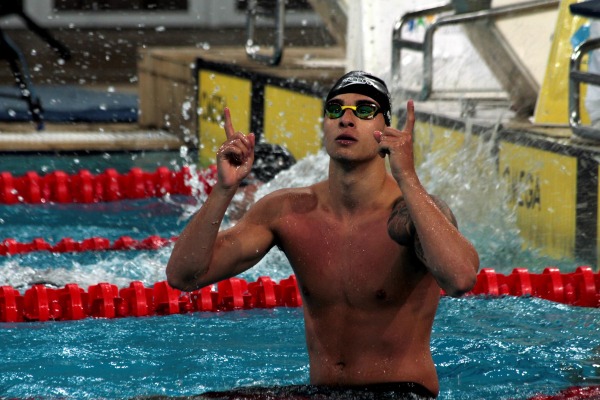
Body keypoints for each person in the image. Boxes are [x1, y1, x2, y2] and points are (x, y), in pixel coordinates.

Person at [166, 71, 480, 399]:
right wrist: (223, 190)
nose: (346, 119)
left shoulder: (413, 214)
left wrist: (407, 176)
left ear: (385, 130)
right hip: (322, 393)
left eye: (363, 110)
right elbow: (183, 275)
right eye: (335, 110)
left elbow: (460, 279)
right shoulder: (287, 211)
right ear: (324, 126)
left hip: (401, 393)